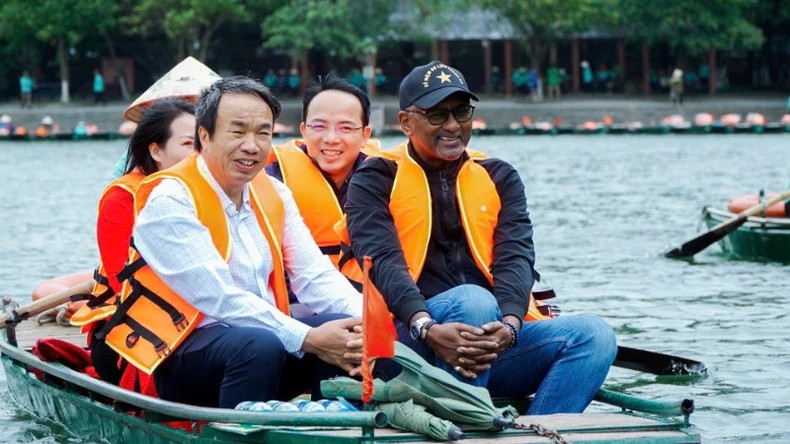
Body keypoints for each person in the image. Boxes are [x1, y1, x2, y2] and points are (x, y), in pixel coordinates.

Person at [345, 61, 617, 415]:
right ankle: (467, 425)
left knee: (595, 335)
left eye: (461, 112)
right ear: (406, 122)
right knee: (473, 300)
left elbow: (515, 258)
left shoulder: (500, 176)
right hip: (409, 343)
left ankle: (536, 434)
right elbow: (382, 261)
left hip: (489, 342)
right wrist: (426, 327)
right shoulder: (375, 177)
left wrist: (511, 325)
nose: (452, 125)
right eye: (437, 115)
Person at [96, 76, 364, 409]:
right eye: (237, 132)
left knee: (346, 332)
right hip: (182, 357)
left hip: (263, 342)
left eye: (263, 133)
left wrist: (370, 323)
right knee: (257, 345)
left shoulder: (274, 192)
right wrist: (307, 337)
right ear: (204, 137)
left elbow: (314, 275)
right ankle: (237, 428)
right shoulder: (171, 200)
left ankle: (334, 424)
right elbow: (220, 298)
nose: (252, 146)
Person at [71, 99, 197, 387]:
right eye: (188, 144)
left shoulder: (213, 191)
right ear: (156, 150)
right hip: (133, 332)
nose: (198, 154)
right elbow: (124, 284)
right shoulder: (122, 199)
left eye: (202, 143)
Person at [266, 74, 375, 290]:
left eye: (345, 128)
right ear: (304, 131)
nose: (331, 138)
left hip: (373, 294)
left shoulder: (386, 177)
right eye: (319, 127)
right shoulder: (271, 180)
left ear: (365, 135)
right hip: (299, 298)